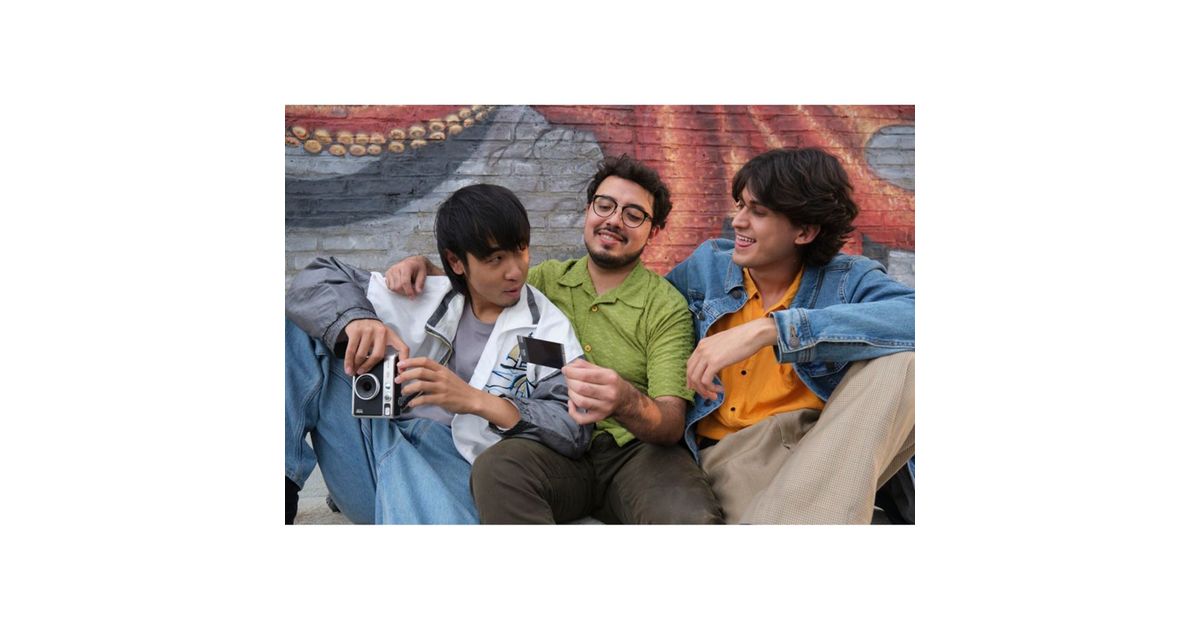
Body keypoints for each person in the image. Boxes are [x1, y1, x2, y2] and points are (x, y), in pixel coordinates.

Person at [388, 155, 723, 524]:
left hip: (635, 453)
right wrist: (425, 267)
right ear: (588, 210)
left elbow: (671, 423)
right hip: (556, 454)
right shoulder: (543, 281)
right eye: (605, 205)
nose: (613, 220)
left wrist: (625, 401)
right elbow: (482, 280)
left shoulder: (665, 306)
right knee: (496, 468)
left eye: (633, 215)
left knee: (689, 518)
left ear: (654, 232)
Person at [284, 184, 589, 524]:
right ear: (456, 262)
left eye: (521, 250)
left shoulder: (539, 330)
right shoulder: (426, 294)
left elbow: (572, 425)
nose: (515, 270)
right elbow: (316, 280)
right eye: (495, 259)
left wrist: (476, 401)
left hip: (456, 469)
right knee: (305, 327)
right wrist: (356, 319)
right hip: (379, 446)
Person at [663, 147, 915, 524]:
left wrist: (774, 330)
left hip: (826, 442)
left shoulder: (847, 278)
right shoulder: (707, 268)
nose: (738, 221)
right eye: (740, 205)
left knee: (907, 363)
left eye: (758, 212)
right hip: (739, 454)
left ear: (805, 231)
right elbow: (645, 314)